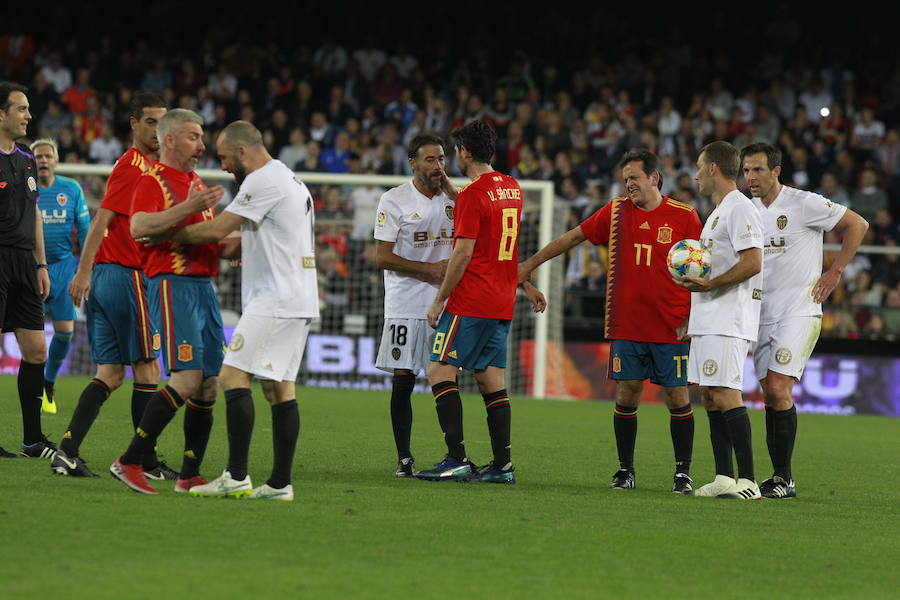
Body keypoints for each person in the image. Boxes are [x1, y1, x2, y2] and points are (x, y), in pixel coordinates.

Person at [519, 149, 703, 492]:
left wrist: (693, 315)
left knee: (677, 397)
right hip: (627, 324)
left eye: (634, 177)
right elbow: (573, 237)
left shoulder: (685, 216)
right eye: (625, 179)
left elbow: (701, 267)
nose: (628, 184)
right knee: (627, 393)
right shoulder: (616, 211)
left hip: (671, 324)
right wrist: (530, 264)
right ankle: (625, 470)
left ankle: (682, 473)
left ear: (654, 178)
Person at [161, 120, 317, 501]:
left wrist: (168, 232)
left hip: (275, 299)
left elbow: (217, 230)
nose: (225, 166)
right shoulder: (288, 178)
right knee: (279, 389)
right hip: (297, 296)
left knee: (231, 376)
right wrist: (243, 248)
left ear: (243, 151)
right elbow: (253, 237)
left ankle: (236, 475)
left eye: (226, 157)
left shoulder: (262, 180)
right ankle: (280, 484)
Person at [415, 120, 545, 484]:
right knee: (492, 382)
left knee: (440, 370)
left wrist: (440, 299)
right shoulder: (511, 188)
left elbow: (463, 252)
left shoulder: (474, 195)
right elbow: (484, 213)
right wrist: (456, 192)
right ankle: (502, 466)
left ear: (464, 152)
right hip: (502, 300)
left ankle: (456, 458)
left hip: (471, 300)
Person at [50, 92, 172, 478]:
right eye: (150, 122)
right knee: (149, 369)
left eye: (162, 122)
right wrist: (81, 273)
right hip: (125, 275)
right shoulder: (133, 166)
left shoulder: (148, 167)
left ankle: (66, 452)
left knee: (111, 374)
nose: (158, 130)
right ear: (134, 124)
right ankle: (145, 460)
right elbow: (101, 221)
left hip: (109, 277)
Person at [740, 142, 868, 498]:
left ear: (776, 170)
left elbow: (857, 224)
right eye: (746, 170)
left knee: (779, 387)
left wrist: (836, 270)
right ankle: (780, 478)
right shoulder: (745, 211)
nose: (750, 177)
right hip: (759, 314)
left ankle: (785, 478)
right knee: (770, 395)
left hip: (799, 309)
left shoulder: (803, 202)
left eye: (757, 170)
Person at [108, 108, 225, 494]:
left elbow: (200, 234)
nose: (202, 144)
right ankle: (130, 461)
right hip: (172, 284)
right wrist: (190, 207)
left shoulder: (195, 182)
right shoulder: (152, 180)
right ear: (170, 139)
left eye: (202, 136)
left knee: (209, 384)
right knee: (187, 379)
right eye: (194, 136)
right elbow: (140, 227)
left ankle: (190, 475)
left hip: (204, 287)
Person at [677, 140, 763, 500]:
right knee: (710, 396)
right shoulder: (717, 212)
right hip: (708, 316)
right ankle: (725, 477)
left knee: (726, 393)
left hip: (728, 317)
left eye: (699, 166)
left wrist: (710, 284)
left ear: (713, 168)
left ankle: (749, 481)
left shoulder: (739, 208)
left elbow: (753, 261)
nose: (695, 174)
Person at [373, 133, 453, 477]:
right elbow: (382, 256)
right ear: (413, 164)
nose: (438, 166)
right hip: (405, 304)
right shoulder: (394, 201)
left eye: (442, 159)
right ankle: (404, 458)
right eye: (430, 160)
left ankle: (456, 455)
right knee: (404, 378)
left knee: (446, 379)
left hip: (447, 304)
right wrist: (430, 269)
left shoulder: (454, 199)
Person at [0, 82, 54, 459]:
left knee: (36, 351)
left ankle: (33, 439)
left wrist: (41, 263)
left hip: (24, 263)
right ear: (1, 114)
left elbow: (34, 212)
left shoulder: (26, 160)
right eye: (21, 109)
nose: (28, 116)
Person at [30, 138, 90, 414]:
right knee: (32, 335)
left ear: (56, 160)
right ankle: (31, 387)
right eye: (38, 156)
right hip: (31, 269)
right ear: (32, 161)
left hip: (65, 268)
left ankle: (49, 382)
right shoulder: (25, 189)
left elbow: (86, 230)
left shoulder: (72, 189)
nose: (43, 160)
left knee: (65, 332)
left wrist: (87, 268)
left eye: (47, 156)